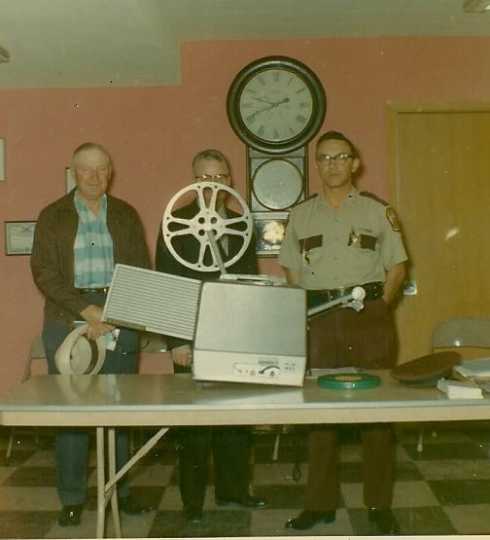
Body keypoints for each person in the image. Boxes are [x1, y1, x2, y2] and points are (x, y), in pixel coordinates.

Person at [279, 131, 407, 534]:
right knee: (318, 415)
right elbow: (292, 270)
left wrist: (378, 308)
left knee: (378, 414)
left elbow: (397, 268)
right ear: (316, 165)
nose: (332, 164)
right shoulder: (301, 215)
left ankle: (378, 506)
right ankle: (319, 504)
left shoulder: (377, 211)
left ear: (354, 163)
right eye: (324, 158)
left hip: (367, 318)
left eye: (340, 157)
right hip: (319, 318)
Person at [31, 142, 152, 527]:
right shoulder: (52, 216)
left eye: (102, 169)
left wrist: (113, 313)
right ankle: (71, 496)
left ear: (111, 171)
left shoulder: (127, 214)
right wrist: (86, 311)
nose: (95, 176)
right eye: (86, 170)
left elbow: (139, 269)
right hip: (68, 315)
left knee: (119, 408)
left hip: (118, 315)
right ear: (73, 172)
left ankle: (119, 490)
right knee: (72, 413)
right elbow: (44, 272)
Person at [155, 148, 266, 523]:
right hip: (191, 335)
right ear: (192, 181)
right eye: (204, 178)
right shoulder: (175, 223)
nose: (212, 185)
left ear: (230, 182)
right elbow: (167, 287)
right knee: (195, 424)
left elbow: (249, 281)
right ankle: (192, 502)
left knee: (236, 417)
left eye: (219, 178)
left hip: (233, 333)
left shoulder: (240, 224)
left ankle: (234, 492)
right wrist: (177, 342)